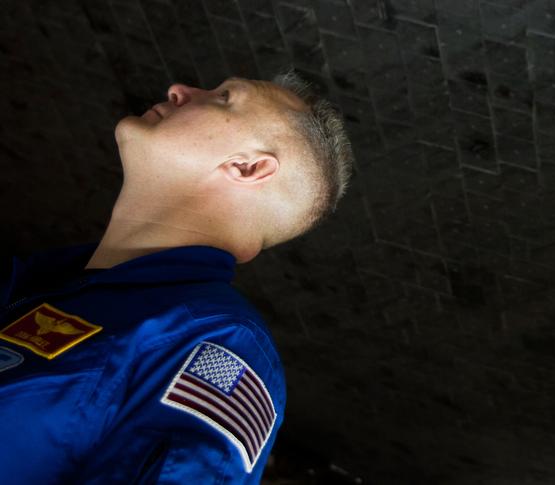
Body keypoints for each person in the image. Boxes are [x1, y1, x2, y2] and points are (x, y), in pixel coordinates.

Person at [0, 69, 354, 483]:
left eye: (223, 98)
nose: (179, 90)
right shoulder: (38, 285)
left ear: (246, 167)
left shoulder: (217, 351)